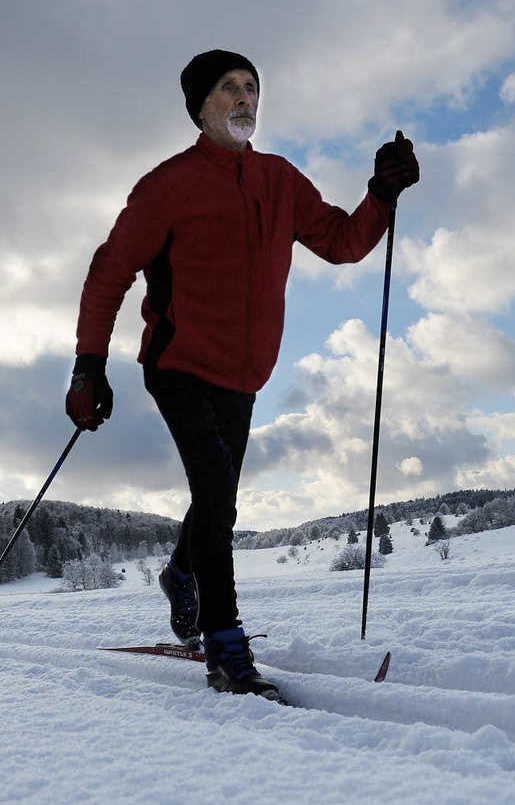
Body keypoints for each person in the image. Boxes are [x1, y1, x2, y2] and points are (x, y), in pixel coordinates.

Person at [66, 49, 419, 698]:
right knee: (219, 499)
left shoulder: (280, 180)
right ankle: (226, 653)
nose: (244, 99)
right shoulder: (166, 186)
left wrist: (380, 194)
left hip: (245, 374)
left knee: (216, 494)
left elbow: (341, 241)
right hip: (177, 363)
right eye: (229, 88)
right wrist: (90, 362)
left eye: (252, 88)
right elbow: (109, 271)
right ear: (200, 107)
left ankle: (181, 570)